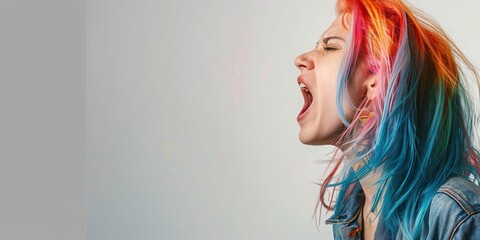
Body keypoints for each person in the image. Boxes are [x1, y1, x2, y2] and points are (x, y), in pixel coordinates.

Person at [293, 0, 480, 239]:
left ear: (377, 81)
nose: (300, 59)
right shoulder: (350, 214)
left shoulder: (455, 217)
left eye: (330, 48)